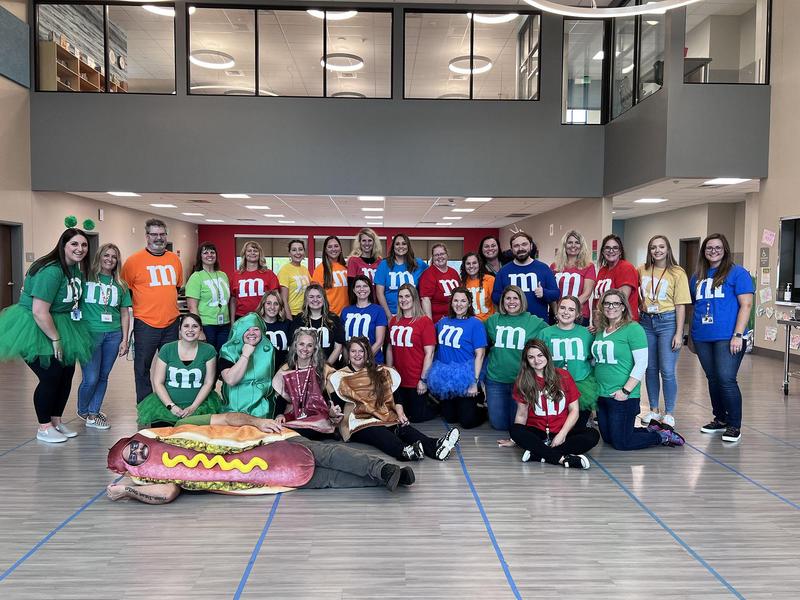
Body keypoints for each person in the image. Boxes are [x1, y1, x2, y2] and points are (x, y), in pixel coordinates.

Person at [106, 412, 416, 501]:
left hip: (263, 444)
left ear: (137, 439)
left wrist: (256, 423)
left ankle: (385, 469)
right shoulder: (151, 477)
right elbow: (168, 492)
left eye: (131, 445)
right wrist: (127, 490)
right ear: (131, 465)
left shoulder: (179, 429)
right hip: (261, 478)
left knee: (328, 452)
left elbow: (225, 418)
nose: (135, 451)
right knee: (327, 480)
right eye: (130, 456)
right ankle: (388, 481)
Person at [0, 228, 93, 443]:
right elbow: (39, 311)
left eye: (84, 245)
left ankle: (56, 421)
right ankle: (43, 427)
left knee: (66, 374)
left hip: (62, 323)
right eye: (74, 244)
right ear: (63, 245)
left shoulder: (75, 270)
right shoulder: (51, 270)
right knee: (50, 376)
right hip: (36, 326)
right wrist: (56, 339)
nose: (80, 249)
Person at [333, 337, 460, 460]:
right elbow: (335, 404)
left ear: (367, 353)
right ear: (348, 353)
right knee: (378, 431)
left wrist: (400, 413)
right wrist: (333, 413)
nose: (357, 354)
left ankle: (435, 447)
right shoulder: (341, 376)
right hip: (359, 421)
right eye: (353, 351)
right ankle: (404, 451)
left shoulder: (380, 371)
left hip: (383, 414)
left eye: (361, 351)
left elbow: (395, 394)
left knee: (402, 428)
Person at [592, 289, 685, 450]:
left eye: (616, 303)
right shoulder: (601, 331)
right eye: (607, 303)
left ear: (623, 307)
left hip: (622, 396)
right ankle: (651, 429)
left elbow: (642, 363)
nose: (610, 307)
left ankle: (662, 436)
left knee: (621, 443)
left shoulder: (633, 329)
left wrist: (625, 391)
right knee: (608, 439)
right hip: (602, 394)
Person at [689, 233, 754, 443]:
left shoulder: (738, 273)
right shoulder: (697, 275)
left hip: (728, 336)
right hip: (703, 336)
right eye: (709, 248)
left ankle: (734, 425)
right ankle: (720, 419)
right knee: (713, 379)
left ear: (725, 249)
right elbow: (695, 306)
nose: (713, 251)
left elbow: (746, 305)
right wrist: (690, 335)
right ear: (704, 251)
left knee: (726, 379)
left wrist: (738, 334)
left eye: (718, 247)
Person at [509, 340, 600, 469]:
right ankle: (562, 459)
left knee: (592, 435)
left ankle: (538, 454)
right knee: (515, 430)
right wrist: (515, 439)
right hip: (537, 432)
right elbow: (521, 415)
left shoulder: (564, 376)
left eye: (540, 355)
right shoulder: (523, 381)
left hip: (561, 430)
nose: (536, 360)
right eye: (531, 357)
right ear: (526, 360)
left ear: (547, 355)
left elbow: (574, 410)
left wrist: (562, 434)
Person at [121, 218, 183, 403]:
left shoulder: (174, 259)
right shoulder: (133, 261)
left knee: (172, 367)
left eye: (162, 234)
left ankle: (171, 405)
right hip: (145, 324)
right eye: (154, 234)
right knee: (142, 368)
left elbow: (176, 288)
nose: (158, 238)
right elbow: (126, 292)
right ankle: (146, 407)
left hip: (172, 323)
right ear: (147, 236)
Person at [638, 235, 692, 429]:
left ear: (668, 249)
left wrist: (679, 333)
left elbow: (680, 306)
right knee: (650, 369)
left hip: (668, 322)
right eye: (653, 247)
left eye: (661, 247)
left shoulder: (677, 272)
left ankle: (669, 412)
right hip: (646, 322)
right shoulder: (642, 269)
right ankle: (653, 409)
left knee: (667, 371)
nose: (657, 250)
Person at [77, 243, 132, 430]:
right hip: (90, 334)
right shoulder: (85, 278)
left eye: (114, 257)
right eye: (106, 255)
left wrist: (125, 339)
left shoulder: (121, 284)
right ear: (99, 256)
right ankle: (83, 409)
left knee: (103, 376)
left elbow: (125, 313)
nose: (110, 259)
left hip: (113, 334)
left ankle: (93, 413)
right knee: (90, 378)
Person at [135, 312, 221, 427]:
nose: (190, 330)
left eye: (195, 326)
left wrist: (193, 407)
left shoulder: (209, 350)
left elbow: (208, 383)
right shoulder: (167, 349)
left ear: (200, 330)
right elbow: (158, 382)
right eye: (186, 326)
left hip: (199, 407)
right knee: (163, 439)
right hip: (166, 407)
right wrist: (171, 406)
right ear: (179, 330)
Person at [485, 285, 547, 433]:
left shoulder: (534, 321)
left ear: (521, 300)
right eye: (508, 298)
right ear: (502, 301)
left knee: (517, 425)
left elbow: (554, 332)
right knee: (499, 425)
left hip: (522, 380)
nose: (511, 302)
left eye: (515, 298)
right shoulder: (493, 320)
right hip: (496, 379)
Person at [427, 288, 488, 429]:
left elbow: (480, 354)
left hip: (465, 377)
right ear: (451, 302)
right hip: (444, 374)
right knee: (450, 418)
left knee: (466, 422)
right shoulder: (443, 322)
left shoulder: (475, 324)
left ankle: (482, 409)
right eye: (455, 300)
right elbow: (428, 334)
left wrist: (474, 382)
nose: (459, 304)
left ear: (469, 303)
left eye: (463, 301)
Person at [539, 296, 599, 427]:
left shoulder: (586, 333)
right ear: (556, 310)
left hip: (581, 384)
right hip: (553, 384)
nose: (566, 312)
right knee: (556, 424)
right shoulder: (545, 333)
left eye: (571, 309)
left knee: (577, 426)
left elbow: (593, 358)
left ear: (577, 314)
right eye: (562, 308)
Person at [272, 328, 342, 439]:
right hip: (294, 415)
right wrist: (279, 414)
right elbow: (281, 398)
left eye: (309, 345)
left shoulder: (323, 370)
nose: (305, 349)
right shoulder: (286, 369)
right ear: (295, 346)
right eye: (301, 344)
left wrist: (333, 411)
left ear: (315, 348)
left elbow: (333, 398)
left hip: (318, 416)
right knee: (279, 428)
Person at [386, 283, 438, 422]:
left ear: (414, 298)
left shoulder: (424, 322)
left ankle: (436, 403)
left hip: (416, 380)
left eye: (407, 296)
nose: (403, 299)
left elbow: (430, 353)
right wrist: (390, 370)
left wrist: (423, 380)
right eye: (400, 297)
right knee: (399, 414)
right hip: (398, 380)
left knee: (416, 417)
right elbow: (390, 347)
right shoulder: (394, 321)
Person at [218, 312, 276, 418]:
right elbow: (231, 380)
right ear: (240, 332)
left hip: (263, 411)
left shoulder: (270, 350)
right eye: (247, 329)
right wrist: (245, 355)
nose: (252, 333)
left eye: (256, 329)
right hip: (234, 411)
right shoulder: (228, 351)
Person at [491, 231, 559, 322]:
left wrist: (544, 293)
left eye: (524, 244)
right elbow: (495, 296)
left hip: (538, 324)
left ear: (531, 246)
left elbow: (556, 294)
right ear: (511, 249)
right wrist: (507, 297)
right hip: (511, 322)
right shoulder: (503, 271)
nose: (520, 248)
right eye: (516, 246)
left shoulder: (543, 268)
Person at [185, 241, 231, 354]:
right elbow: (192, 307)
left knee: (223, 356)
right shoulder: (196, 277)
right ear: (200, 256)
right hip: (206, 325)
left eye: (212, 252)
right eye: (205, 252)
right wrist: (199, 330)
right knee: (208, 357)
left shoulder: (223, 275)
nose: (209, 255)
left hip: (224, 324)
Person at [374, 233, 427, 321]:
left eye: (404, 243)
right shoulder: (384, 264)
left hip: (414, 314)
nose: (400, 246)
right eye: (397, 244)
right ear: (393, 247)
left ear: (408, 246)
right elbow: (379, 293)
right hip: (391, 313)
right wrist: (389, 316)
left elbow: (432, 273)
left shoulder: (418, 263)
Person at [291, 283, 346, 365]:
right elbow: (294, 346)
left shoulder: (333, 319)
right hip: (303, 367)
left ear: (324, 299)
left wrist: (325, 367)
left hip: (329, 367)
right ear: (306, 300)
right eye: (311, 297)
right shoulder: (298, 320)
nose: (315, 299)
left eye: (319, 296)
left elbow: (338, 348)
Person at [550, 230, 596, 325]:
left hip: (579, 315)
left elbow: (587, 293)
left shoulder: (588, 266)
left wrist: (570, 310)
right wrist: (557, 312)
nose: (573, 246)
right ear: (564, 245)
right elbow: (551, 293)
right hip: (557, 314)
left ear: (581, 246)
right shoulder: (554, 266)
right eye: (570, 242)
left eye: (577, 243)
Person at [593, 234, 639, 324]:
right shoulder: (603, 270)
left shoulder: (626, 267)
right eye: (607, 248)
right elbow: (596, 298)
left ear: (620, 251)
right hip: (604, 322)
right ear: (602, 251)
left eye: (615, 248)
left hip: (622, 323)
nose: (611, 251)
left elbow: (621, 299)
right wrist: (595, 320)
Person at [341, 275, 388, 363]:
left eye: (365, 286)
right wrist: (348, 361)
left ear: (370, 289)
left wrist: (362, 360)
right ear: (354, 290)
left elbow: (379, 342)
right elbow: (343, 341)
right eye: (358, 286)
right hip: (350, 364)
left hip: (373, 362)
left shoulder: (379, 310)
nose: (362, 289)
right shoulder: (346, 311)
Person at [230, 241, 280, 321]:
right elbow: (233, 300)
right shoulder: (236, 275)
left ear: (260, 254)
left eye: (255, 251)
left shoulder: (269, 274)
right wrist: (232, 321)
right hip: (241, 318)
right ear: (244, 254)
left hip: (263, 317)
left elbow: (277, 297)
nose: (252, 253)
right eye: (249, 251)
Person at [419, 243, 460, 324]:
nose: (439, 257)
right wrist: (430, 325)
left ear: (447, 255)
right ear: (433, 258)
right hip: (438, 321)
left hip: (455, 318)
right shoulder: (428, 274)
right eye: (436, 255)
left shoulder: (453, 272)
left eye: (442, 254)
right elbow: (425, 300)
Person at [312, 235, 350, 315]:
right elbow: (315, 295)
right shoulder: (320, 269)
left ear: (340, 249)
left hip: (347, 314)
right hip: (329, 315)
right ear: (325, 250)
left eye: (336, 246)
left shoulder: (347, 267)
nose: (333, 249)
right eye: (329, 247)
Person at [256, 289, 292, 368]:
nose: (272, 307)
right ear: (263, 305)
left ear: (280, 307)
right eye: (268, 303)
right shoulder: (256, 325)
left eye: (276, 304)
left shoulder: (287, 324)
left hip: (283, 368)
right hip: (260, 368)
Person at [278, 239, 311, 319]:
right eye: (294, 250)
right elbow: (283, 300)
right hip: (292, 314)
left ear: (304, 252)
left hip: (305, 313)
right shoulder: (285, 270)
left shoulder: (305, 269)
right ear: (289, 253)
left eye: (300, 249)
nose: (298, 253)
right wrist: (290, 320)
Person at [461, 252, 495, 321]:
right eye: (468, 263)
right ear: (464, 266)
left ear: (479, 264)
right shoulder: (462, 283)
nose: (471, 266)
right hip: (470, 323)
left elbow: (497, 304)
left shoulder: (490, 280)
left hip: (488, 323)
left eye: (474, 263)